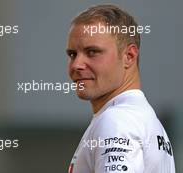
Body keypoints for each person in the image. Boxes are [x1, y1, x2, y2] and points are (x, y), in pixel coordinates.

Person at [66, 4, 175, 173]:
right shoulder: (142, 119)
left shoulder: (117, 121)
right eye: (73, 54)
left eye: (92, 52)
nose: (77, 65)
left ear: (129, 56)